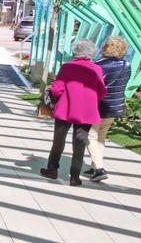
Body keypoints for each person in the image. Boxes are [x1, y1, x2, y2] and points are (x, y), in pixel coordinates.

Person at [40, 38, 107, 186]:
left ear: (74, 51)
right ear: (91, 53)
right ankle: (74, 177)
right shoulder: (96, 69)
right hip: (87, 112)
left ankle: (52, 169)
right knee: (80, 144)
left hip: (65, 109)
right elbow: (102, 91)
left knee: (58, 140)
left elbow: (56, 89)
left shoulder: (66, 67)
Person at [86, 35, 131, 182]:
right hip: (115, 106)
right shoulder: (126, 65)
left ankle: (99, 169)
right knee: (101, 137)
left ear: (106, 48)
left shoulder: (99, 65)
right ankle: (94, 166)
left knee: (91, 136)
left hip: (99, 106)